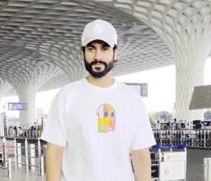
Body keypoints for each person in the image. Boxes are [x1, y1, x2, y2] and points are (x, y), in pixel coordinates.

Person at [41, 19, 156, 181]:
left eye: (104, 48)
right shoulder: (66, 97)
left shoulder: (132, 99)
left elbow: (140, 154)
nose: (97, 56)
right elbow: (54, 151)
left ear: (116, 53)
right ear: (82, 54)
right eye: (91, 49)